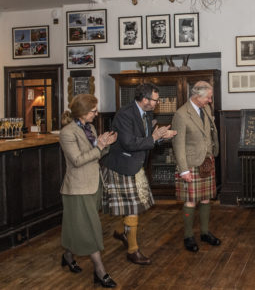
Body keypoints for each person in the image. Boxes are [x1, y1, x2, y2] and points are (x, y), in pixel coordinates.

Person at [103, 83, 177, 265]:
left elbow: (146, 140)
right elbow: (129, 143)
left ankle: (120, 231)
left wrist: (161, 138)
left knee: (134, 204)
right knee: (133, 207)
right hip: (122, 164)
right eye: (155, 100)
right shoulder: (124, 115)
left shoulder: (147, 112)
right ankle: (132, 251)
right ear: (145, 100)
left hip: (135, 163)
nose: (157, 103)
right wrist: (154, 137)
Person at [59, 94, 118, 288]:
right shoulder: (68, 133)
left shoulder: (90, 127)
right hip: (77, 188)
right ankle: (100, 271)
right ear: (83, 112)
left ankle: (68, 255)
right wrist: (99, 146)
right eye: (93, 110)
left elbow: (96, 155)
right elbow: (77, 161)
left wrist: (105, 144)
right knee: (91, 228)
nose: (96, 113)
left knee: (75, 225)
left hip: (93, 184)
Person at [171, 81, 220, 253]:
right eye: (208, 97)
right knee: (190, 201)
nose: (210, 100)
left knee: (206, 198)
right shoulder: (181, 114)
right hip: (191, 164)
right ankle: (188, 236)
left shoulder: (206, 109)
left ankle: (205, 232)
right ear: (197, 96)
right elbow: (178, 144)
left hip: (206, 161)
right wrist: (183, 169)